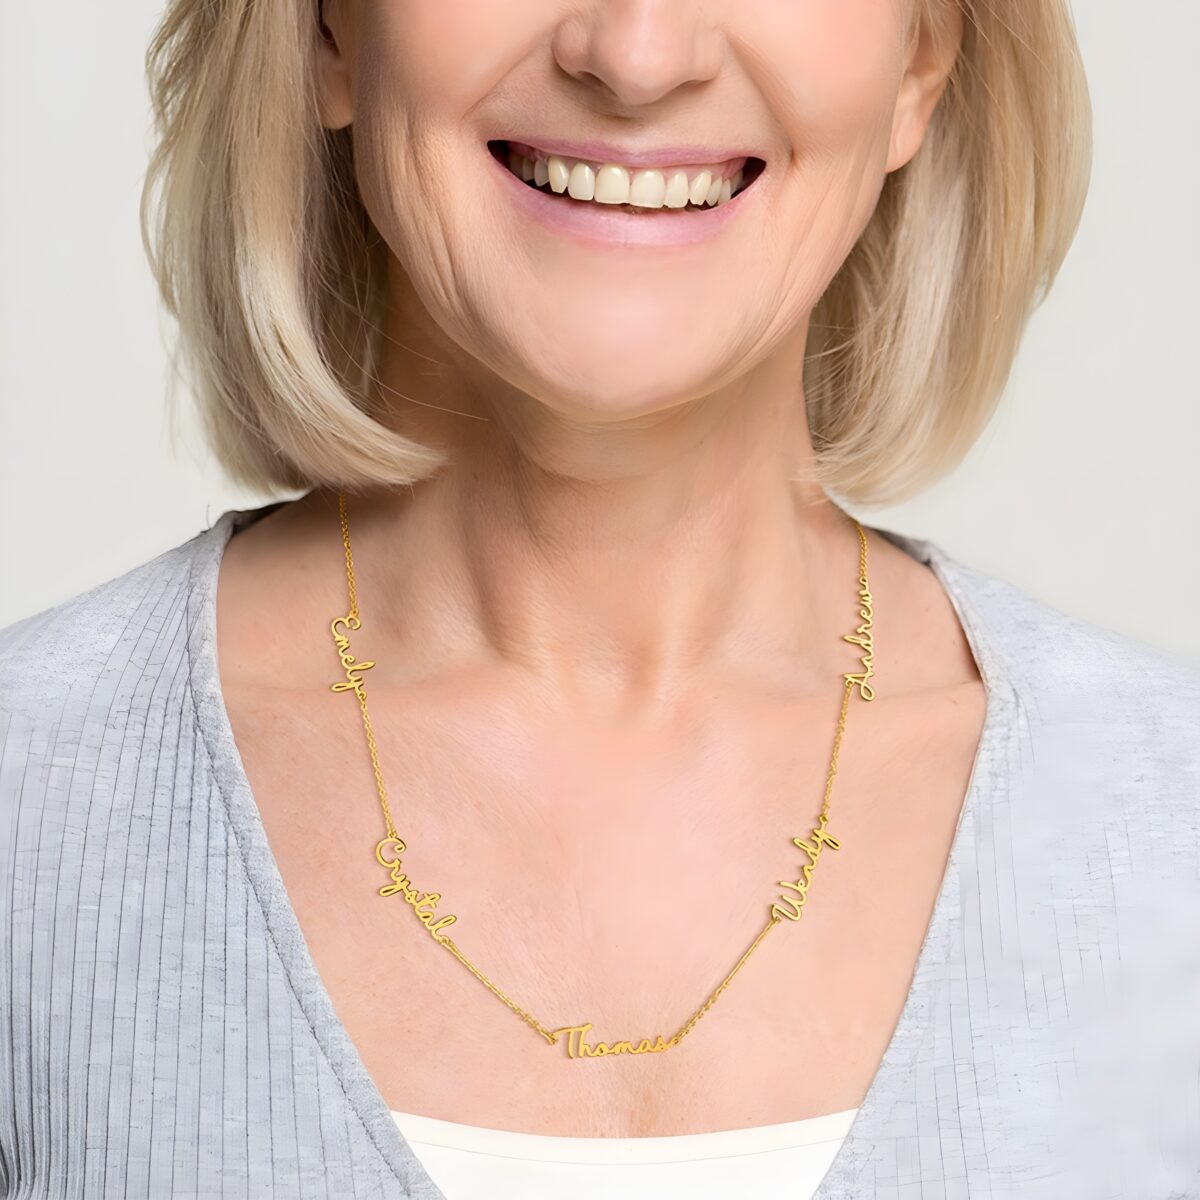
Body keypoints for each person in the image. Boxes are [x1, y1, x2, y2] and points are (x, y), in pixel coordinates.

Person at [1, 0, 1197, 1196]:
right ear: (328, 32)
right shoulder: (30, 810)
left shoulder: (1169, 829)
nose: (636, 56)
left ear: (919, 64)